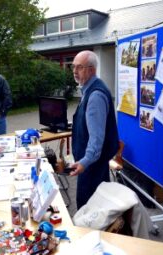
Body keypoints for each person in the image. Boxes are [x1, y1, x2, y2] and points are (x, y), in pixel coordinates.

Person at [69, 50, 119, 210]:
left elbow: (96, 139)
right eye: (73, 67)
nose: (75, 71)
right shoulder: (88, 89)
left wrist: (84, 162)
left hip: (91, 165)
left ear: (91, 69)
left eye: (79, 67)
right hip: (91, 164)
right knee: (97, 207)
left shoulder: (95, 95)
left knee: (88, 209)